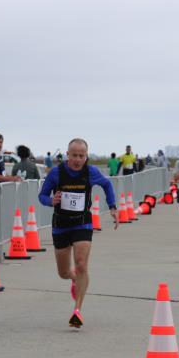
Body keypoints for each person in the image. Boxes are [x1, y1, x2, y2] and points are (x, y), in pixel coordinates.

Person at [37, 138, 117, 329]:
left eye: (82, 156)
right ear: (67, 155)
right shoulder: (56, 173)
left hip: (82, 222)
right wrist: (51, 201)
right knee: (64, 272)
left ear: (86, 156)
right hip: (61, 224)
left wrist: (113, 207)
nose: (78, 159)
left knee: (81, 264)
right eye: (74, 155)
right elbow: (42, 196)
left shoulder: (91, 172)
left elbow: (107, 185)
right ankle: (74, 279)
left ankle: (77, 311)